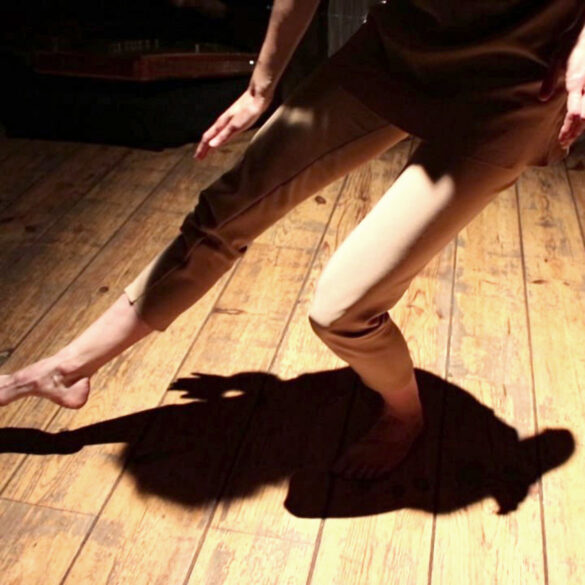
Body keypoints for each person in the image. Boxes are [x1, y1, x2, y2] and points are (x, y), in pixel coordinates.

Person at [2, 0, 585, 480]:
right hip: (399, 51)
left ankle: (404, 413)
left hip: (515, 85)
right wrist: (261, 89)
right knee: (225, 209)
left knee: (341, 310)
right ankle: (65, 370)